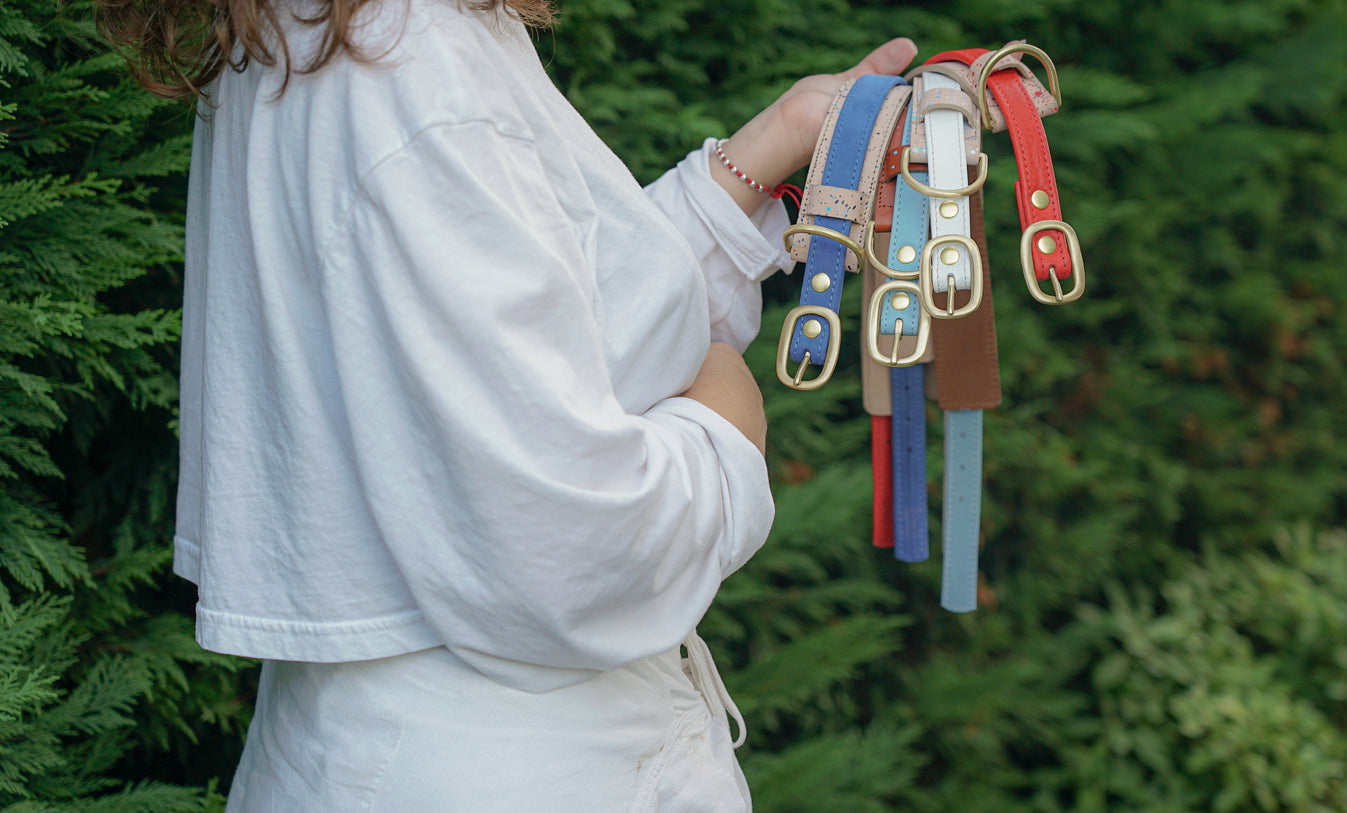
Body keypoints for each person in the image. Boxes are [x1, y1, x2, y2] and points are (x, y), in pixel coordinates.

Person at [101, 0, 915, 807]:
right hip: (511, 754)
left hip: (400, 737)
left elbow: (550, 338)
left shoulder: (327, 28)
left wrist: (778, 139)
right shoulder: (406, 57)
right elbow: (564, 542)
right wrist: (724, 420)